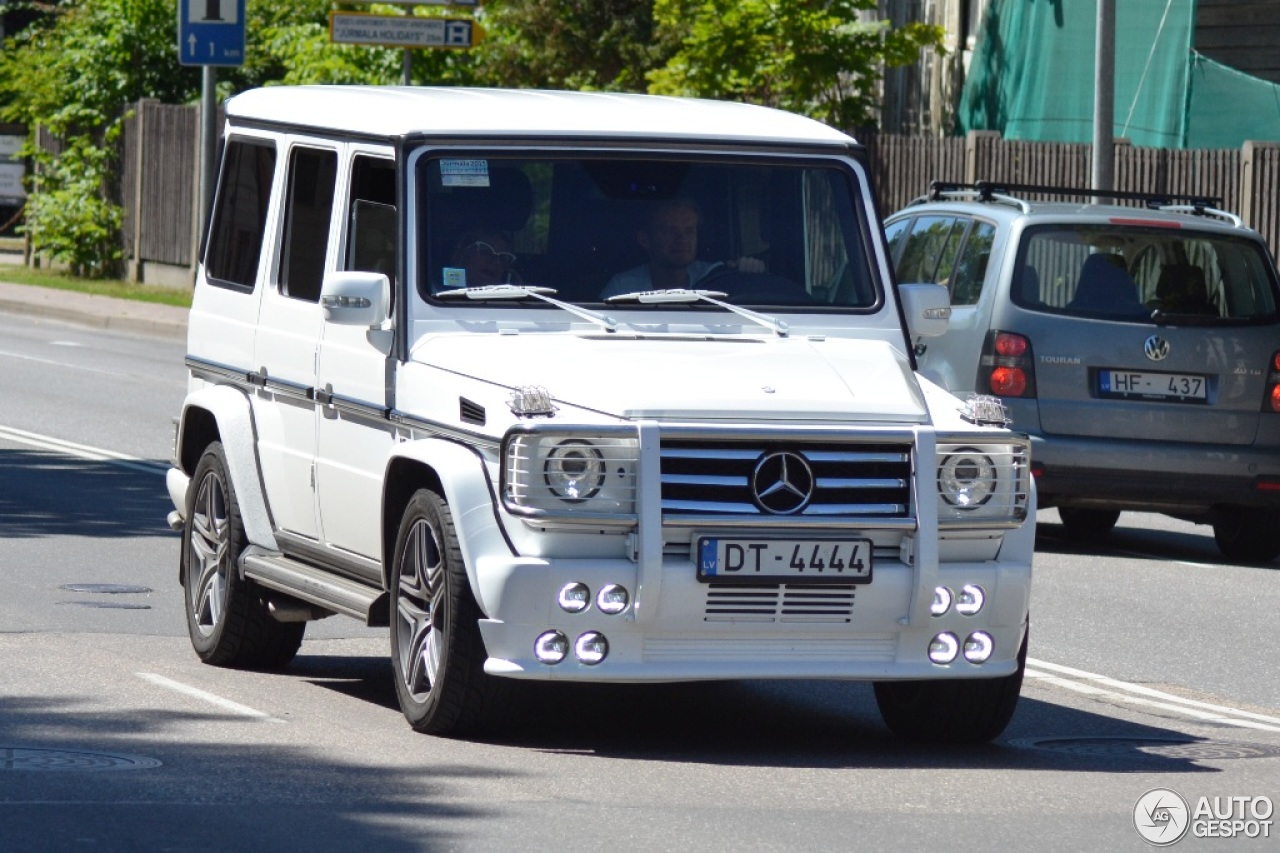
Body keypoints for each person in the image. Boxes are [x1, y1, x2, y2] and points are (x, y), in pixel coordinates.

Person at [599, 198, 763, 299]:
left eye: (689, 231)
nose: (682, 239)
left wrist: (750, 273)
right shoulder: (622, 289)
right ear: (645, 240)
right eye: (670, 231)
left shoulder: (715, 276)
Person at [443, 228, 519, 288]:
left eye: (502, 258)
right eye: (485, 251)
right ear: (462, 255)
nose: (495, 261)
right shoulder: (436, 295)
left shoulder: (510, 304)